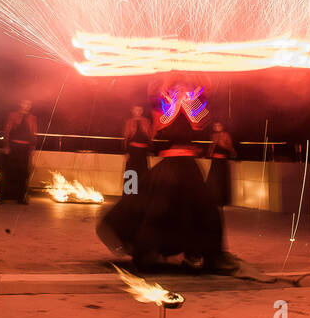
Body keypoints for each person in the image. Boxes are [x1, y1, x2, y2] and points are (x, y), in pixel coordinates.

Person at [97, 99, 237, 274]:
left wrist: (188, 103)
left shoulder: (192, 104)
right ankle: (151, 251)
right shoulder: (166, 107)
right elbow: (159, 128)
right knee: (155, 205)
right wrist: (174, 105)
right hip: (168, 162)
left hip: (187, 163)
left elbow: (201, 122)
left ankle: (193, 253)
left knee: (194, 208)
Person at [0, 98, 38, 203]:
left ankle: (20, 197)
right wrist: (6, 145)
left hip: (25, 149)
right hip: (13, 147)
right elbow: (7, 131)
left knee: (23, 172)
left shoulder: (32, 118)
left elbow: (34, 133)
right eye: (24, 103)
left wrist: (33, 147)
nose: (26, 106)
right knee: (8, 171)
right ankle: (2, 196)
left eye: (29, 104)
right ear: (21, 104)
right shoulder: (13, 115)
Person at [122, 105, 153, 192]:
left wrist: (150, 150)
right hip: (133, 151)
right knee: (131, 171)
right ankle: (130, 193)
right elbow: (126, 137)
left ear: (142, 111)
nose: (138, 112)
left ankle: (142, 193)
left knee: (143, 172)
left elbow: (149, 137)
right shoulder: (129, 122)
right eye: (136, 110)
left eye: (140, 110)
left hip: (143, 151)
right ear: (132, 111)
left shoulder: (146, 122)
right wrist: (126, 151)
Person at [206, 120, 237, 207]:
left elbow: (231, 148)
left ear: (222, 126)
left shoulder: (226, 135)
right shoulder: (213, 135)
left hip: (222, 162)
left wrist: (222, 144)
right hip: (215, 161)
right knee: (213, 181)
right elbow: (211, 148)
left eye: (218, 125)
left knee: (221, 181)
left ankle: (222, 201)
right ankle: (213, 200)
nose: (217, 127)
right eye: (215, 126)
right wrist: (209, 153)